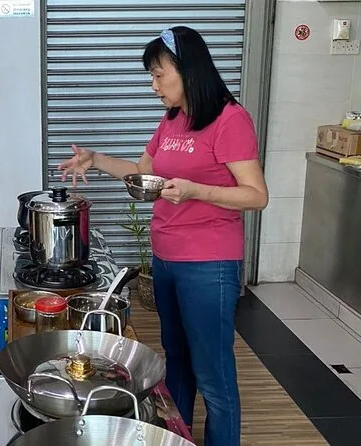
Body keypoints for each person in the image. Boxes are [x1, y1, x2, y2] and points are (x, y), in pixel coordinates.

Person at [58, 26, 268, 446]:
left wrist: (195, 191)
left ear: (188, 70)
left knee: (213, 375)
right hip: (167, 259)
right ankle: (179, 438)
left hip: (209, 264)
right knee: (178, 362)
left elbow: (256, 195)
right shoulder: (173, 119)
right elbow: (143, 172)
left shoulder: (230, 119)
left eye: (158, 75)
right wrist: (95, 159)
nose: (153, 86)